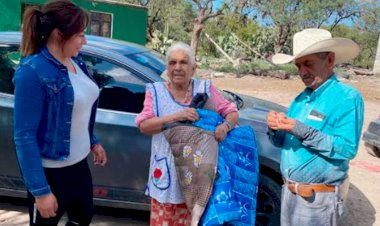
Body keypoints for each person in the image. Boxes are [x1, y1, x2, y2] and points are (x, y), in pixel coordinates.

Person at [13, 0, 107, 225]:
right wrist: (41, 191)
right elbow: (24, 136)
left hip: (79, 166)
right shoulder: (32, 72)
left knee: (83, 218)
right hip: (51, 174)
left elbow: (78, 109)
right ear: (58, 34)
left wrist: (93, 141)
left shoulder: (76, 62)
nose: (84, 41)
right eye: (80, 35)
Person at [267, 28, 364, 226]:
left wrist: (300, 129)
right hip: (290, 193)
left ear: (329, 60)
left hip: (317, 201)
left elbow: (347, 148)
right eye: (298, 65)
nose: (302, 72)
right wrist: (276, 128)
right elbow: (283, 141)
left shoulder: (347, 98)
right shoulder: (301, 99)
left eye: (308, 64)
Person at [135, 42, 239, 225]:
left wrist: (226, 126)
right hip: (167, 175)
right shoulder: (156, 91)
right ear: (167, 68)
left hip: (198, 177)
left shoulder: (205, 88)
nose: (177, 68)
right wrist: (176, 116)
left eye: (183, 62)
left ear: (193, 68)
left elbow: (231, 111)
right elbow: (144, 126)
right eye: (172, 62)